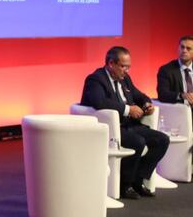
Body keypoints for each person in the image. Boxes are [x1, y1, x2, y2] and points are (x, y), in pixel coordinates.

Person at [81, 46, 169, 199]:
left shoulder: (125, 79)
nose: (126, 70)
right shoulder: (95, 79)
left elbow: (139, 95)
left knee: (161, 140)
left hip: (129, 125)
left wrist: (147, 104)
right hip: (110, 129)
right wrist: (128, 110)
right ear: (110, 64)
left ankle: (138, 179)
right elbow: (99, 101)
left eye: (128, 67)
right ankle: (125, 186)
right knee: (138, 142)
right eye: (123, 66)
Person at [157, 35, 193, 107]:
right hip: (179, 112)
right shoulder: (166, 70)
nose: (184, 50)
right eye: (182, 47)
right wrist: (181, 95)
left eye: (188, 48)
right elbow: (162, 94)